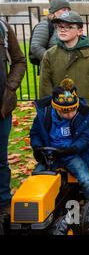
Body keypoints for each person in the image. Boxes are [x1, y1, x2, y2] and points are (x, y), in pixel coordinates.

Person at [40, 11, 89, 130]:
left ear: (80, 31)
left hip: (84, 109)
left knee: (83, 144)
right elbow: (45, 84)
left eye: (69, 27)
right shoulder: (50, 54)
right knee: (60, 144)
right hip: (59, 109)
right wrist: (47, 110)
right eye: (60, 27)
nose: (63, 30)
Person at [30, 79, 89, 199]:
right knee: (37, 178)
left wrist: (73, 149)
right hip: (50, 155)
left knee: (85, 180)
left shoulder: (82, 115)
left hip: (71, 154)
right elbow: (35, 133)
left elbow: (86, 137)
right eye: (65, 112)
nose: (70, 114)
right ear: (56, 108)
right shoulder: (45, 114)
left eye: (73, 110)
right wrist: (37, 147)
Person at [0, 20, 26, 216]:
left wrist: (10, 89)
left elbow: (19, 60)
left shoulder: (3, 26)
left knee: (1, 159)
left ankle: (3, 202)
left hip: (2, 108)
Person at [30, 0, 71, 64]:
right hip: (51, 69)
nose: (67, 12)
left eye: (68, 10)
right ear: (54, 12)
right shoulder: (45, 25)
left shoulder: (67, 24)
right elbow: (36, 47)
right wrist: (53, 60)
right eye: (64, 9)